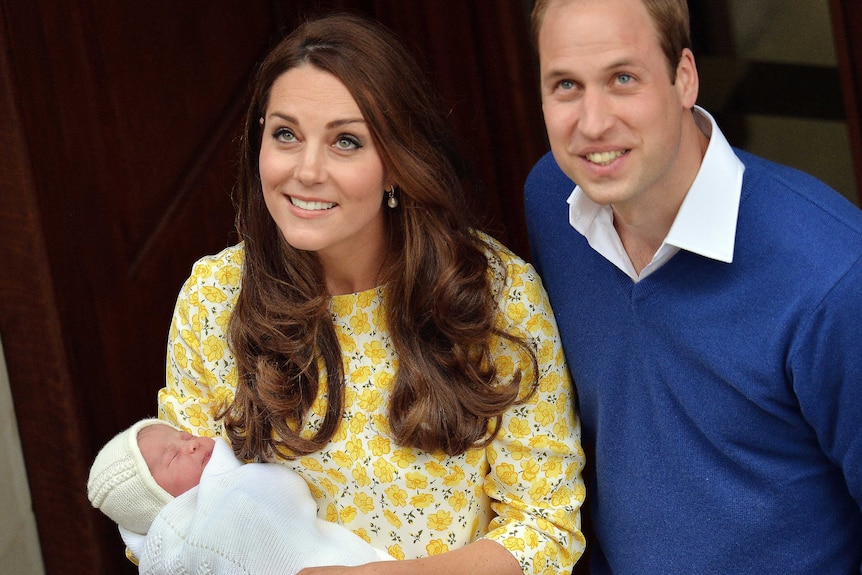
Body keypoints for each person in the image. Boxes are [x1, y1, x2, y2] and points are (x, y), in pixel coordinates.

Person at [158, 12, 585, 575]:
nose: (307, 171)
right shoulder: (215, 299)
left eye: (346, 142)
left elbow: (545, 527)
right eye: (285, 134)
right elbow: (173, 522)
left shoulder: (492, 296)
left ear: (395, 165)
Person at [524, 0, 862, 573]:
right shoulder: (552, 202)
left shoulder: (832, 276)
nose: (594, 121)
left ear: (684, 76)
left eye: (623, 78)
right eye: (566, 86)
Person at [87, 418, 393, 574]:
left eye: (184, 436)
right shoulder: (199, 538)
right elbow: (283, 485)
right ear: (158, 501)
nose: (191, 444)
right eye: (173, 456)